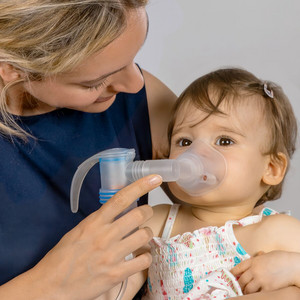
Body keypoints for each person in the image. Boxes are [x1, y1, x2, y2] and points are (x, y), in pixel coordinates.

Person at [0, 1, 176, 299]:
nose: (135, 85)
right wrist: (49, 286)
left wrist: (282, 259)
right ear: (12, 69)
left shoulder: (143, 102)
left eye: (134, 58)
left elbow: (233, 208)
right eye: (97, 81)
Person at [101, 67, 300, 300]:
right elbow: (114, 284)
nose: (196, 154)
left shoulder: (276, 230)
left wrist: (292, 268)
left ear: (271, 169)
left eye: (224, 140)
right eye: (184, 141)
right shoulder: (160, 223)